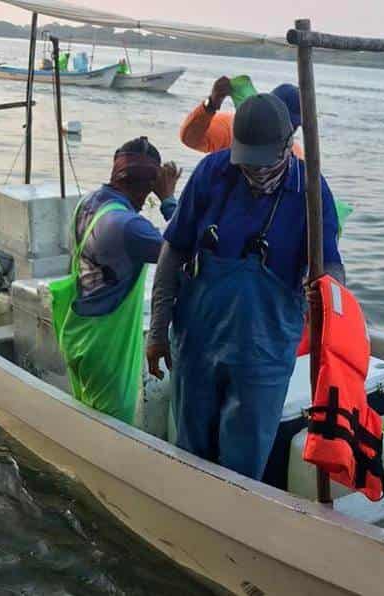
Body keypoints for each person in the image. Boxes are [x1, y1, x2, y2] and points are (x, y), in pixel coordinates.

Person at [147, 93, 345, 480]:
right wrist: (157, 330)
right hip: (198, 341)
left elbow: (332, 267)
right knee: (191, 453)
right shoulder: (212, 172)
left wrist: (325, 296)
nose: (254, 173)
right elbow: (173, 252)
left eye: (264, 162)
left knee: (244, 458)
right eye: (246, 162)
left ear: (288, 146)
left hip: (264, 348)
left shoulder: (311, 190)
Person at [53, 137, 180, 424]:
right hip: (107, 346)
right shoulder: (127, 226)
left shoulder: (90, 202)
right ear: (150, 184)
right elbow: (182, 249)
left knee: (88, 416)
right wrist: (169, 199)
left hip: (79, 331)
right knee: (113, 427)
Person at [180, 76, 353, 237]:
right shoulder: (232, 132)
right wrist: (211, 104)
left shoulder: (300, 167)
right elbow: (190, 138)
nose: (290, 127)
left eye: (294, 124)